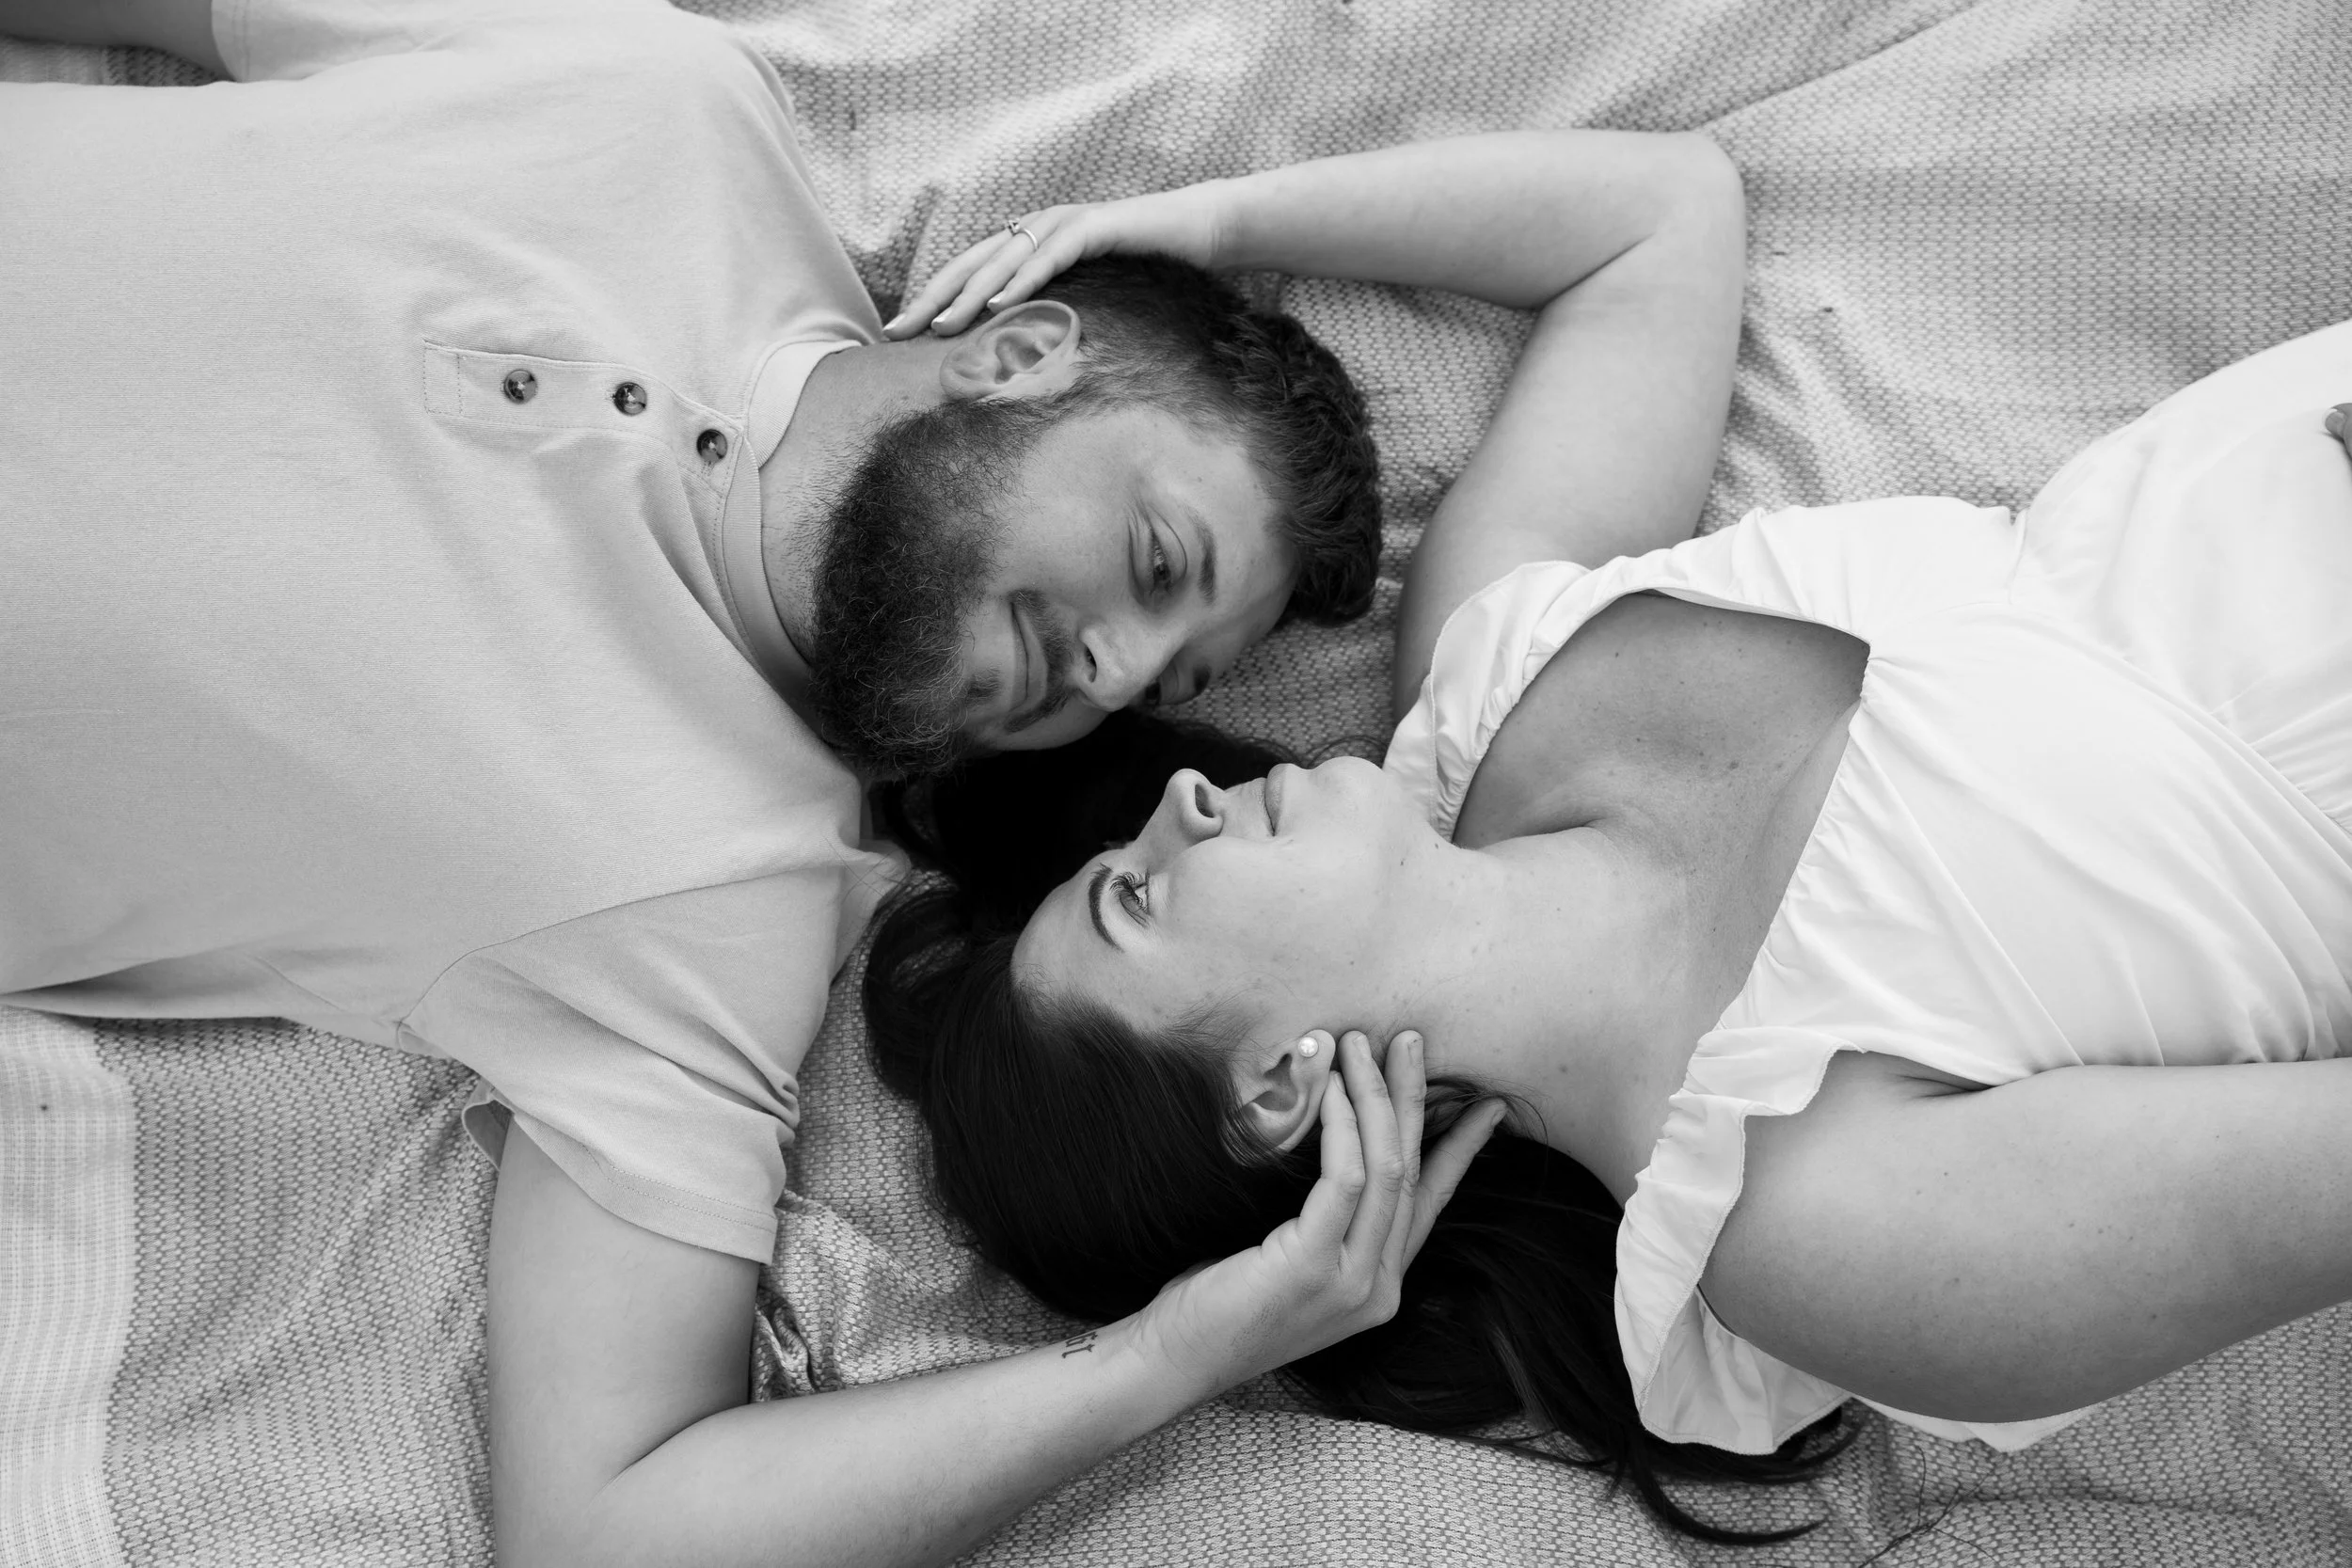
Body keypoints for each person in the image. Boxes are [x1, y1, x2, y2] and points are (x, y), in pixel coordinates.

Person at [0, 2, 1748, 1560]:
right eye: (1153, 562)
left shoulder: (708, 918)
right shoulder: (657, 104)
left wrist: (1172, 1357)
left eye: (1171, 683)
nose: (1113, 680)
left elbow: (604, 1529)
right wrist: (1221, 220)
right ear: (1022, 355)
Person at [868, 136, 2352, 1544]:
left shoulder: (1485, 675)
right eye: (1132, 898)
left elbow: (1657, 216)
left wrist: (1202, 230)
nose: (1180, 800)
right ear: (1276, 1090)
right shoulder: (1803, 1229)